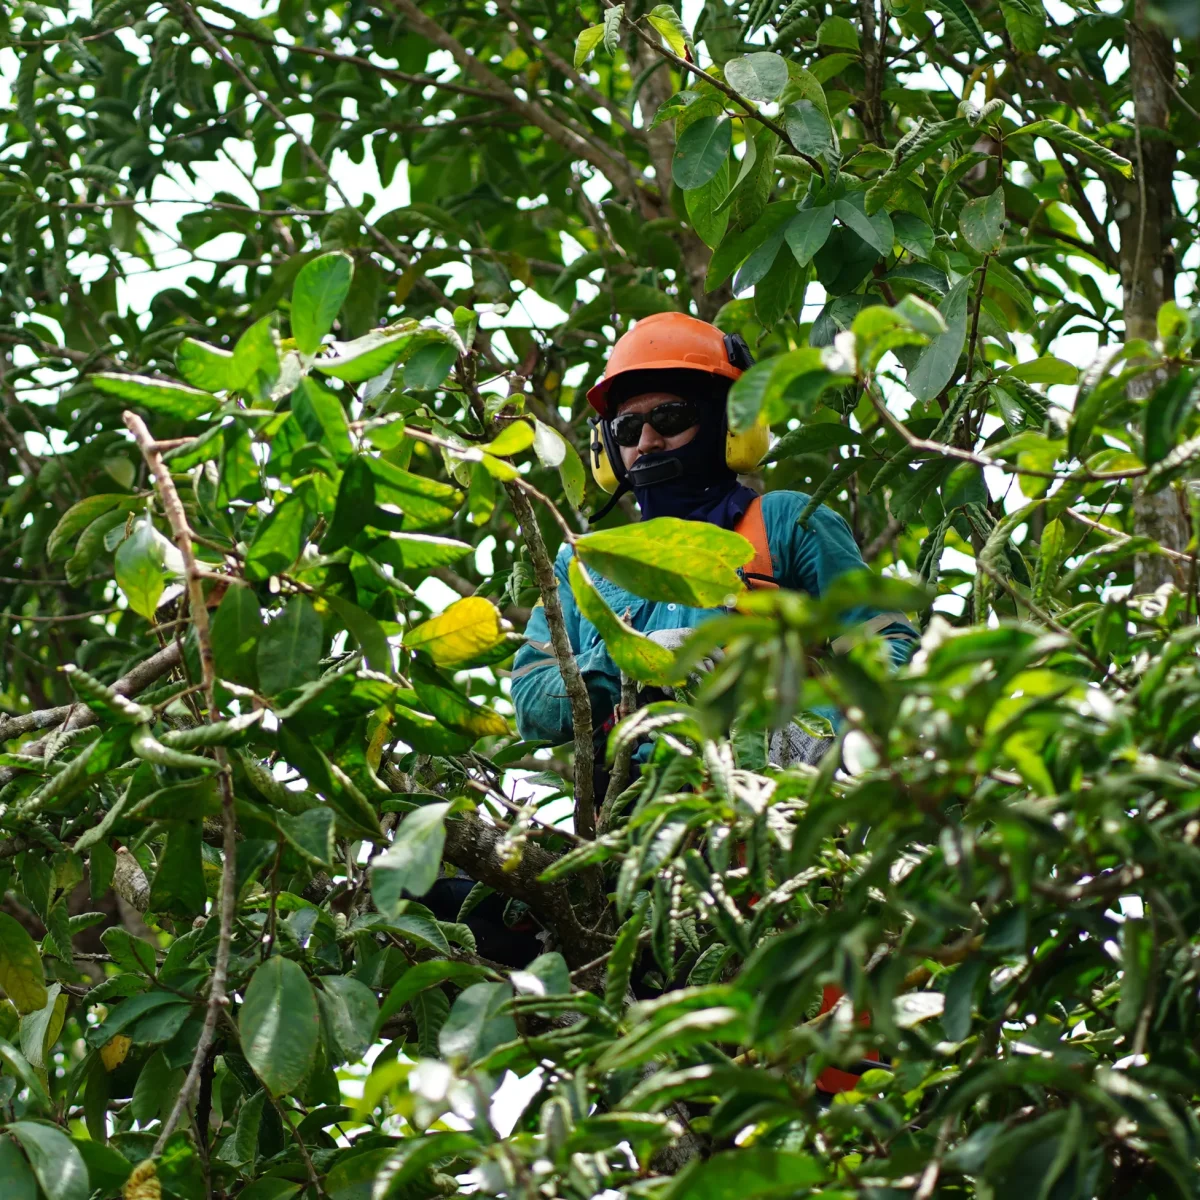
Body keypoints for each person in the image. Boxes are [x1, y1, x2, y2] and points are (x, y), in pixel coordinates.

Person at [510, 312, 919, 766]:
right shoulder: (583, 566)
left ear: (727, 423)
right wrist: (629, 658)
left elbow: (891, 649)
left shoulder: (787, 522)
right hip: (630, 822)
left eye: (669, 417)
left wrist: (818, 732)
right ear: (606, 446)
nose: (646, 441)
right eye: (627, 428)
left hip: (767, 806)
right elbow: (531, 702)